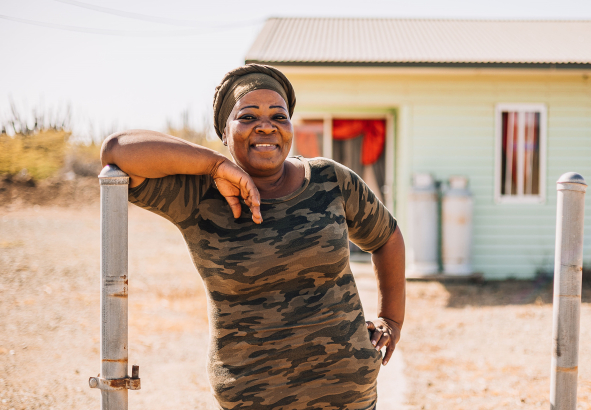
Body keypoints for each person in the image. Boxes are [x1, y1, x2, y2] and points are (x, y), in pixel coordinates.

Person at [100, 64, 406, 410]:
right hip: (253, 398)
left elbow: (387, 237)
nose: (266, 125)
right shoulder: (198, 195)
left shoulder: (330, 180)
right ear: (225, 132)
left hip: (349, 396)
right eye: (247, 117)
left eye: (280, 116)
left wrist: (391, 320)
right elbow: (116, 150)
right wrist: (214, 166)